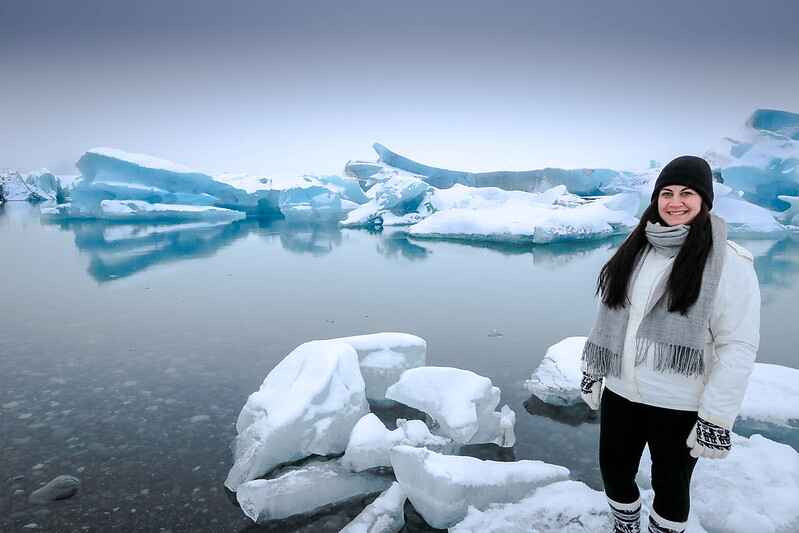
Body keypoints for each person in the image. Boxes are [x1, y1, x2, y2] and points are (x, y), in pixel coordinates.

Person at [579, 155, 760, 533]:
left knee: (670, 485)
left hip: (679, 402)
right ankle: (625, 527)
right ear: (656, 198)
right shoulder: (636, 248)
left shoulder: (730, 263)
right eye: (667, 193)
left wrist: (715, 417)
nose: (675, 202)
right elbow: (614, 314)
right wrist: (594, 370)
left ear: (704, 201)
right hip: (622, 391)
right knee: (614, 472)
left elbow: (737, 346)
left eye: (687, 193)